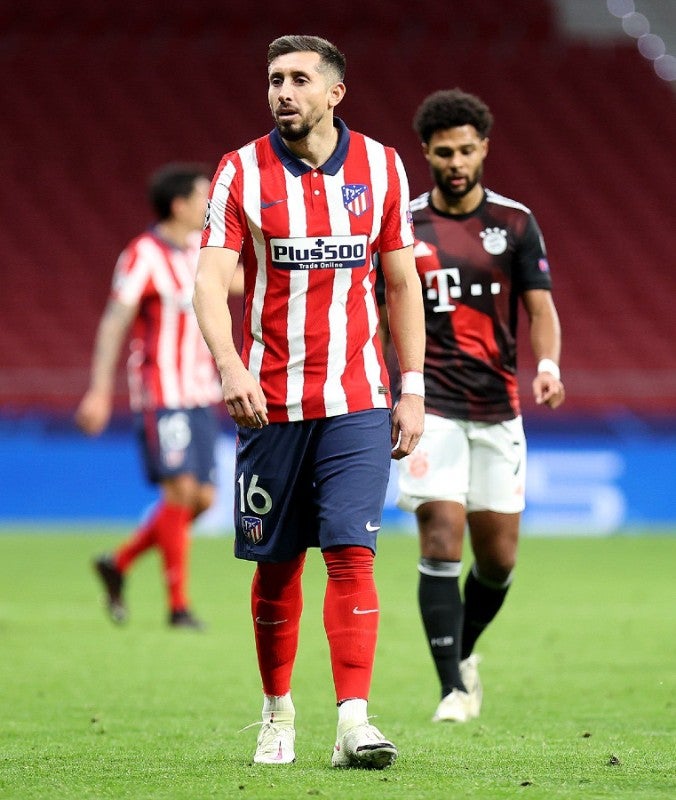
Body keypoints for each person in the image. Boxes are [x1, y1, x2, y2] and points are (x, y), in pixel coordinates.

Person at [192, 35, 425, 768]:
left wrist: (411, 387)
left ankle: (354, 721)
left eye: (298, 79)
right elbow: (207, 282)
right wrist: (229, 365)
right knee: (278, 565)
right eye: (273, 79)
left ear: (335, 93)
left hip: (357, 396)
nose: (282, 91)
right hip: (269, 401)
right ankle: (277, 712)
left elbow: (400, 285)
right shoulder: (239, 170)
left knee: (354, 555)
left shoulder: (383, 167)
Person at [381, 88, 565, 724]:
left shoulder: (514, 222)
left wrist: (547, 365)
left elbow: (540, 309)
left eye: (466, 150)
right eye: (443, 152)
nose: (455, 162)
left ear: (483, 148)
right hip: (429, 404)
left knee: (500, 558)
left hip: (498, 407)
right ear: (426, 153)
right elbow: (381, 308)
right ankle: (450, 692)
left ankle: (463, 656)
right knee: (440, 534)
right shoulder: (403, 224)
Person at [75, 163, 227, 630]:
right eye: (204, 197)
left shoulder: (201, 252)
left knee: (201, 499)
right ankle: (178, 607)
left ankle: (118, 563)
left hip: (202, 393)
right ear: (180, 204)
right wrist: (100, 390)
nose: (210, 205)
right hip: (163, 392)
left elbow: (237, 282)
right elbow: (115, 321)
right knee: (180, 490)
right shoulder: (142, 254)